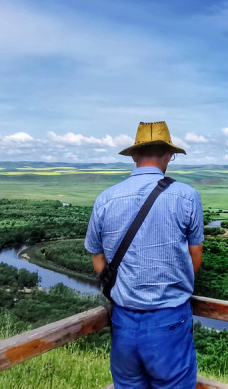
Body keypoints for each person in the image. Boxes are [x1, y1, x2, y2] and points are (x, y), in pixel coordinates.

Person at [84, 120, 204, 389]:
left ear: (134, 156)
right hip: (169, 319)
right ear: (169, 156)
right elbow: (195, 261)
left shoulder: (105, 198)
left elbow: (99, 261)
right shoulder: (187, 196)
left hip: (123, 320)